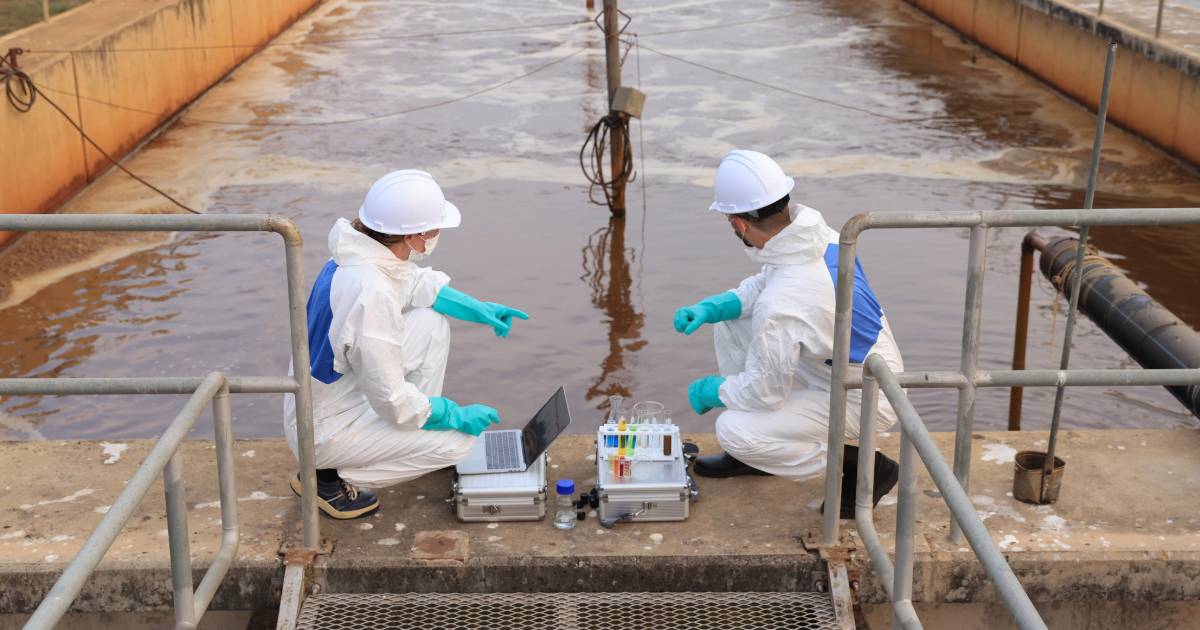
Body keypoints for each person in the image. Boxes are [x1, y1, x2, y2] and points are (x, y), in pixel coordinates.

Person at [284, 170, 529, 519]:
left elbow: (414, 286)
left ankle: (409, 438)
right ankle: (328, 478)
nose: (437, 236)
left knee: (430, 324)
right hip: (324, 431)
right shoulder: (371, 290)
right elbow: (392, 400)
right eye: (434, 230)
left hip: (320, 402)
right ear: (413, 237)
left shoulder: (355, 256)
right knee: (459, 445)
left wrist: (479, 309)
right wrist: (451, 416)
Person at [673, 150, 903, 518]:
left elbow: (765, 391)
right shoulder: (819, 237)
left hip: (866, 394)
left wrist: (714, 390)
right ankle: (757, 456)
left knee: (733, 428)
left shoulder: (784, 302)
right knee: (732, 321)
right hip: (851, 362)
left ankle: (865, 466)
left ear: (738, 224)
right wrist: (715, 307)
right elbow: (769, 282)